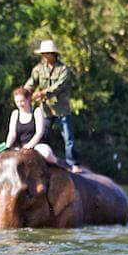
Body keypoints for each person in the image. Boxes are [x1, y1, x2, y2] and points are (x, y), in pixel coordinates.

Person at [24, 40, 80, 173]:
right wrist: (24, 93)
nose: (44, 56)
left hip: (62, 110)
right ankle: (44, 163)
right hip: (46, 110)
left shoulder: (63, 69)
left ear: (53, 54)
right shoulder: (38, 69)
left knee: (68, 138)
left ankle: (73, 164)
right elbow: (31, 83)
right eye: (42, 54)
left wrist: (42, 93)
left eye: (46, 54)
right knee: (43, 136)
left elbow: (59, 86)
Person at [0, 87, 59, 165]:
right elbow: (12, 134)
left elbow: (39, 132)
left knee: (47, 154)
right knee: (1, 156)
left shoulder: (37, 112)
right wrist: (4, 147)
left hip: (37, 145)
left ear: (28, 99)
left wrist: (29, 146)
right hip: (19, 146)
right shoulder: (15, 114)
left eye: (22, 101)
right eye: (17, 102)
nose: (20, 104)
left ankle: (61, 170)